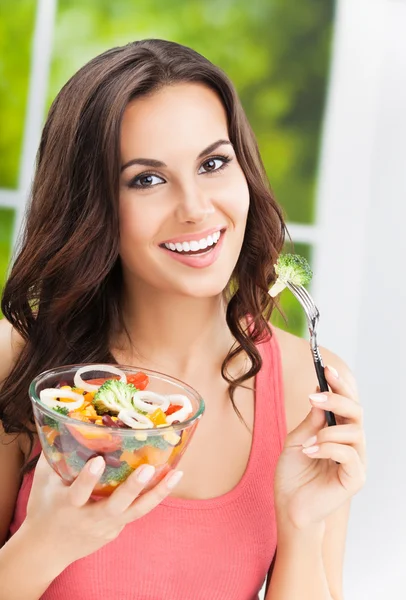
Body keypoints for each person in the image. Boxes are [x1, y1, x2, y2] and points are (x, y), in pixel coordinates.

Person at [0, 39, 366, 600]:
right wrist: (46, 543)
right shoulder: (22, 361)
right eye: (146, 179)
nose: (195, 206)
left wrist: (301, 526)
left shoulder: (306, 387)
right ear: (92, 204)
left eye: (214, 163)